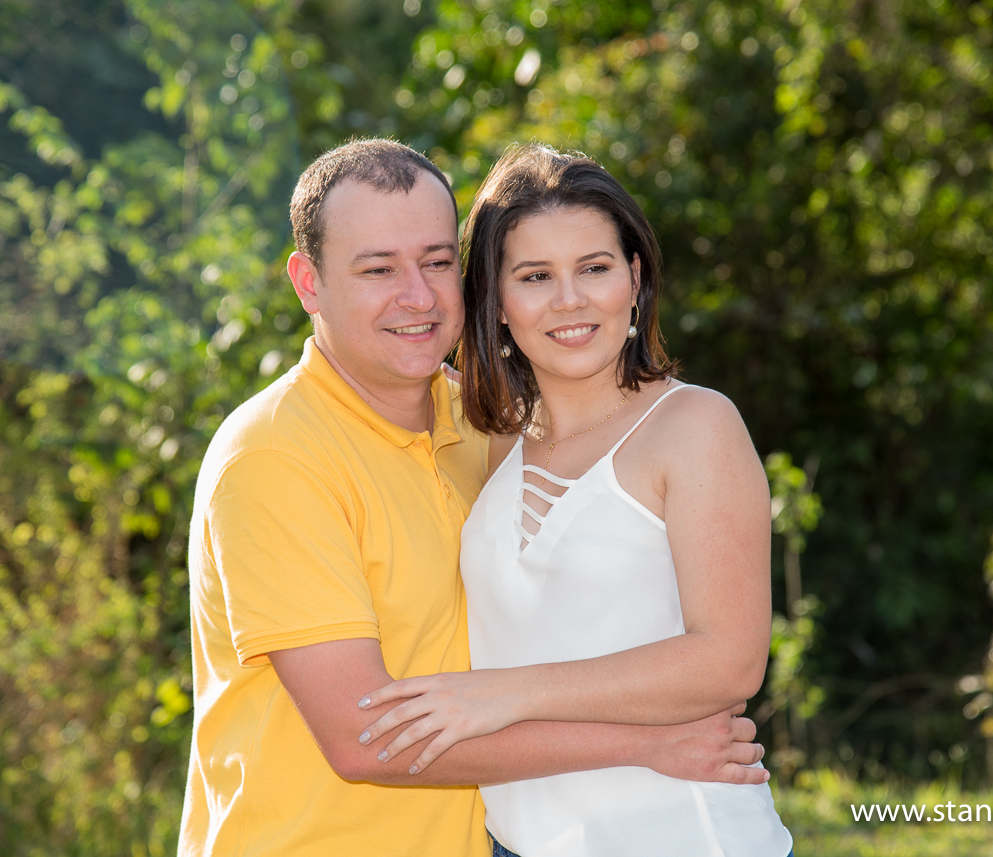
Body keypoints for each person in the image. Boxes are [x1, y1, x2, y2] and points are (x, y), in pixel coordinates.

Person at [177, 138, 769, 857]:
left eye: (435, 261)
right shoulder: (275, 455)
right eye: (377, 269)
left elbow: (720, 651)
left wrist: (512, 695)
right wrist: (641, 744)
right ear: (308, 283)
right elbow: (367, 740)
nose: (417, 297)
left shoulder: (475, 421)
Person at [355, 145, 794, 857]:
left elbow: (730, 661)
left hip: (683, 837)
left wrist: (504, 694)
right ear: (496, 304)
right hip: (518, 841)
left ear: (635, 277)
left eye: (594, 267)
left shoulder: (694, 427)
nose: (570, 300)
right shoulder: (496, 440)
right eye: (535, 276)